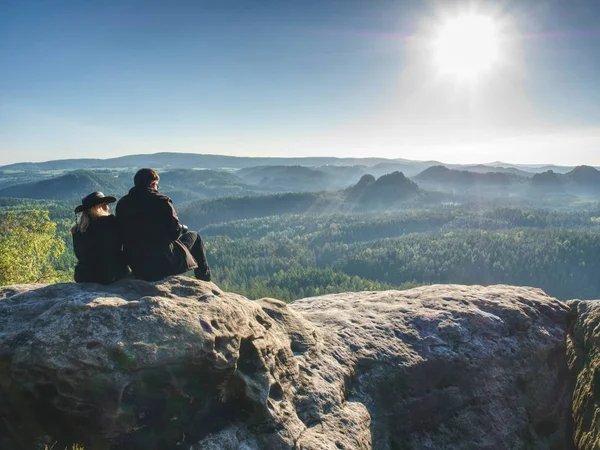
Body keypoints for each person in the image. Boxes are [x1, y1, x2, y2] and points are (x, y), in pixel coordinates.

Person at [116, 168, 211, 282]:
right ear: (153, 184)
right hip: (163, 265)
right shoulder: (162, 201)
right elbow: (174, 233)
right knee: (195, 236)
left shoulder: (122, 203)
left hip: (138, 266)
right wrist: (180, 228)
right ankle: (205, 280)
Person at [72, 192, 129, 284]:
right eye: (106, 204)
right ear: (100, 207)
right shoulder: (110, 222)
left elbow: (79, 254)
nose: (108, 207)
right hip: (109, 274)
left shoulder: (77, 229)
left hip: (84, 275)